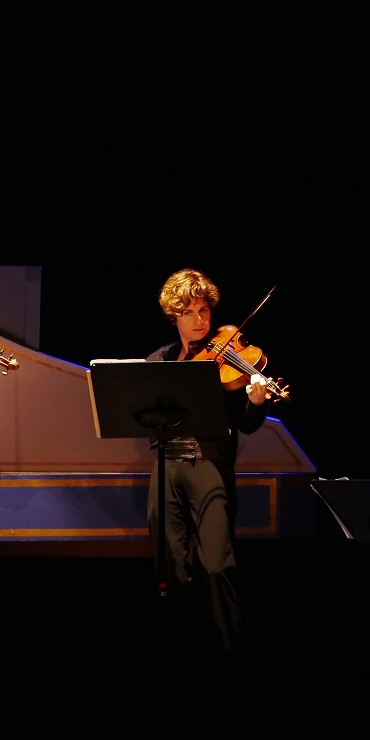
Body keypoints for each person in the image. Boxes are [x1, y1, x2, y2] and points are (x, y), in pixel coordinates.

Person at [145, 268, 272, 663]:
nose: (200, 320)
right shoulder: (160, 359)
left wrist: (255, 400)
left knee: (216, 566)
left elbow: (246, 424)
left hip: (210, 462)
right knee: (168, 566)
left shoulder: (229, 358)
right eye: (189, 312)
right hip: (167, 461)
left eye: (204, 311)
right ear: (175, 316)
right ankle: (182, 644)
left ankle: (230, 651)